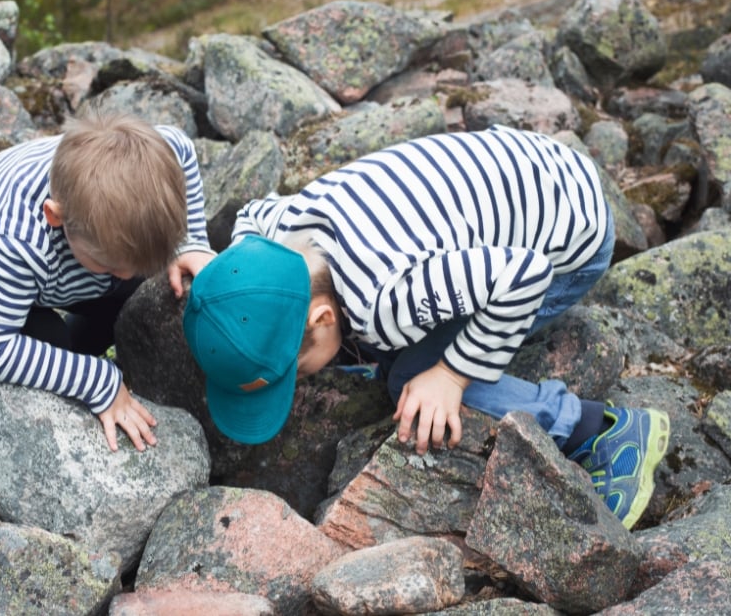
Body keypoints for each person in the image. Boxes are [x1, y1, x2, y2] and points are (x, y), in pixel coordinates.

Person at [182, 124, 670, 529]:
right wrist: (221, 279)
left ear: (323, 317)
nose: (301, 379)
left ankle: (599, 430)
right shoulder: (276, 231)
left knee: (408, 377)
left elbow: (525, 275)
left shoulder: (386, 301)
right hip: (532, 161)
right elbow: (248, 216)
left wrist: (452, 376)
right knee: (392, 352)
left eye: (298, 370)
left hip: (572, 240)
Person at [0, 109, 213, 452]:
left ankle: (80, 340)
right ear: (55, 215)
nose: (124, 275)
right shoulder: (16, 237)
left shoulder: (148, 155)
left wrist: (191, 240)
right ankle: (73, 355)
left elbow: (182, 147)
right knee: (50, 341)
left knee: (137, 290)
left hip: (47, 265)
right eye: (109, 266)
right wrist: (96, 380)